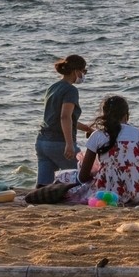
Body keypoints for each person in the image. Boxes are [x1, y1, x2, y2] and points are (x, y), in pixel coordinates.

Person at [72, 95, 139, 206]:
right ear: (127, 116)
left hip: (108, 193)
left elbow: (83, 177)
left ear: (104, 116)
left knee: (73, 177)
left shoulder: (98, 135)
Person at [35, 54, 92, 185]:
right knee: (82, 177)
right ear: (76, 71)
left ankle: (39, 202)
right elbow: (65, 117)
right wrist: (69, 144)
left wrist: (87, 128)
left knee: (44, 185)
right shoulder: (71, 90)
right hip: (59, 142)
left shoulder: (53, 87)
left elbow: (60, 117)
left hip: (42, 143)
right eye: (84, 71)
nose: (84, 74)